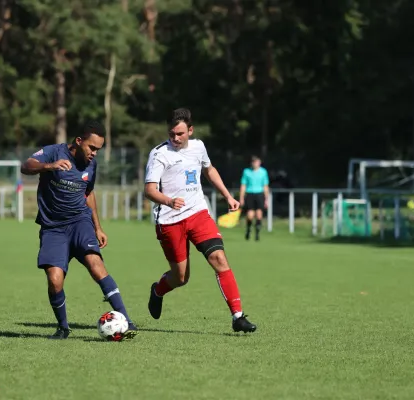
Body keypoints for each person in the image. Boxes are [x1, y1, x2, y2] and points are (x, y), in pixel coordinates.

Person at [20, 121, 137, 340]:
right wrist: (50, 166)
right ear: (79, 141)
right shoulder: (53, 152)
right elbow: (26, 166)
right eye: (92, 148)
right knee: (55, 280)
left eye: (98, 150)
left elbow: (88, 193)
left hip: (80, 222)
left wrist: (98, 227)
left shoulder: (91, 165)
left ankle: (127, 321)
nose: (94, 153)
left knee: (96, 265)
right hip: (53, 227)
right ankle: (63, 328)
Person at [144, 108, 257, 333]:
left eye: (180, 134)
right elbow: (149, 190)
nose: (175, 138)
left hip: (197, 213)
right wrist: (168, 200)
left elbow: (209, 170)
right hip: (169, 220)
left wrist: (228, 196)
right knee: (181, 277)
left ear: (190, 130)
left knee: (219, 258)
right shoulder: (159, 154)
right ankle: (158, 291)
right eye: (171, 134)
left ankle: (237, 317)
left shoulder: (199, 147)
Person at [239, 155, 270, 241]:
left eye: (257, 162)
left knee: (259, 214)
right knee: (250, 215)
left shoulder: (263, 172)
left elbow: (265, 186)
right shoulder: (246, 172)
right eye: (254, 162)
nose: (255, 164)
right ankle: (248, 229)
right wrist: (241, 197)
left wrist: (267, 199)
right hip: (250, 194)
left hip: (260, 194)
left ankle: (257, 233)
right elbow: (243, 185)